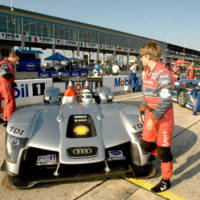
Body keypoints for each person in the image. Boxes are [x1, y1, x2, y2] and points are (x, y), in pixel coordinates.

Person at [139, 41, 174, 192]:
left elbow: (166, 101)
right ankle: (160, 155)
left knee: (164, 150)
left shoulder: (163, 74)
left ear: (148, 55)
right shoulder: (147, 71)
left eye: (142, 56)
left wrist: (153, 118)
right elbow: (146, 93)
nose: (140, 58)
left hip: (163, 116)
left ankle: (166, 180)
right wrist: (142, 108)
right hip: (149, 112)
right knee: (145, 145)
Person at [0, 52, 19, 127]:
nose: (17, 62)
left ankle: (6, 119)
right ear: (12, 57)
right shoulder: (5, 63)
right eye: (16, 59)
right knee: (10, 103)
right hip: (6, 85)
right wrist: (11, 76)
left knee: (9, 103)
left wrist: (12, 82)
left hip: (8, 84)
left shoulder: (10, 64)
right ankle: (9, 120)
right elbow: (3, 73)